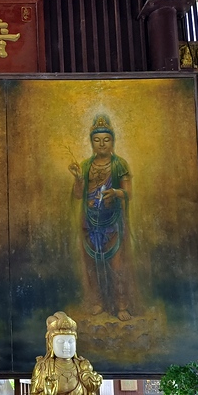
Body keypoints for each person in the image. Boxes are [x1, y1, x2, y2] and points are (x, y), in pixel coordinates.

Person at [69, 114, 135, 321]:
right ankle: (98, 302)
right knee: (93, 265)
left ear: (112, 141)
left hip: (112, 221)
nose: (102, 144)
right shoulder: (87, 165)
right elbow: (78, 195)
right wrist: (79, 179)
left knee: (117, 266)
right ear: (91, 142)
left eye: (106, 139)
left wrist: (115, 193)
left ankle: (121, 304)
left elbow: (128, 193)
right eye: (97, 140)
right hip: (89, 222)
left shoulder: (119, 164)